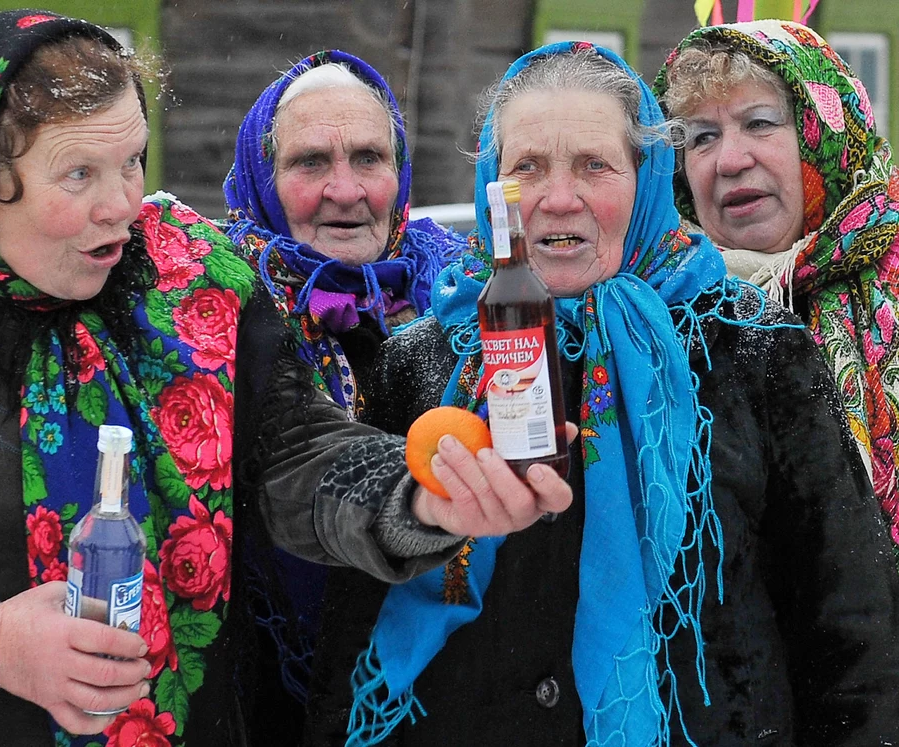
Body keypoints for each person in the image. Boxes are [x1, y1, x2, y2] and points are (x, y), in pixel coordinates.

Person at [299, 42, 899, 746]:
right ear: (494, 182)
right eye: (527, 166)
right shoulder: (420, 363)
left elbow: (851, 632)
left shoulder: (752, 349)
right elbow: (351, 625)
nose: (557, 198)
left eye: (594, 165)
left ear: (646, 179)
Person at [0, 10, 257, 745]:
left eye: (132, 162)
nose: (122, 207)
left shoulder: (180, 280)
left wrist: (409, 496)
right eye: (79, 173)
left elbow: (297, 451)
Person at [220, 50, 466, 742]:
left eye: (368, 157)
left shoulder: (459, 294)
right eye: (309, 163)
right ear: (263, 179)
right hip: (272, 699)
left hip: (441, 699)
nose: (346, 188)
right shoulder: (218, 310)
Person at [653, 20, 899, 551]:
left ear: (824, 142)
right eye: (702, 137)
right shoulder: (651, 314)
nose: (731, 160)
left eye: (759, 123)